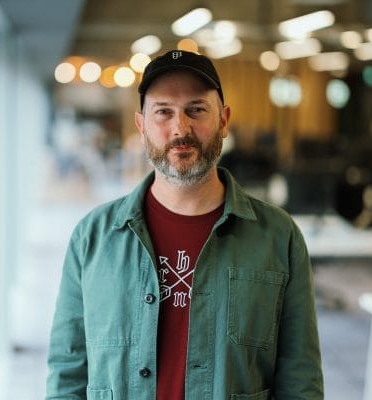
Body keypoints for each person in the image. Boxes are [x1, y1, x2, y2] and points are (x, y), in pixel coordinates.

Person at [46, 50, 324, 400]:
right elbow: (67, 372)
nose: (181, 128)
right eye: (163, 111)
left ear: (223, 120)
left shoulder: (279, 238)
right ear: (141, 125)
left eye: (196, 110)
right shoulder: (93, 238)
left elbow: (301, 379)